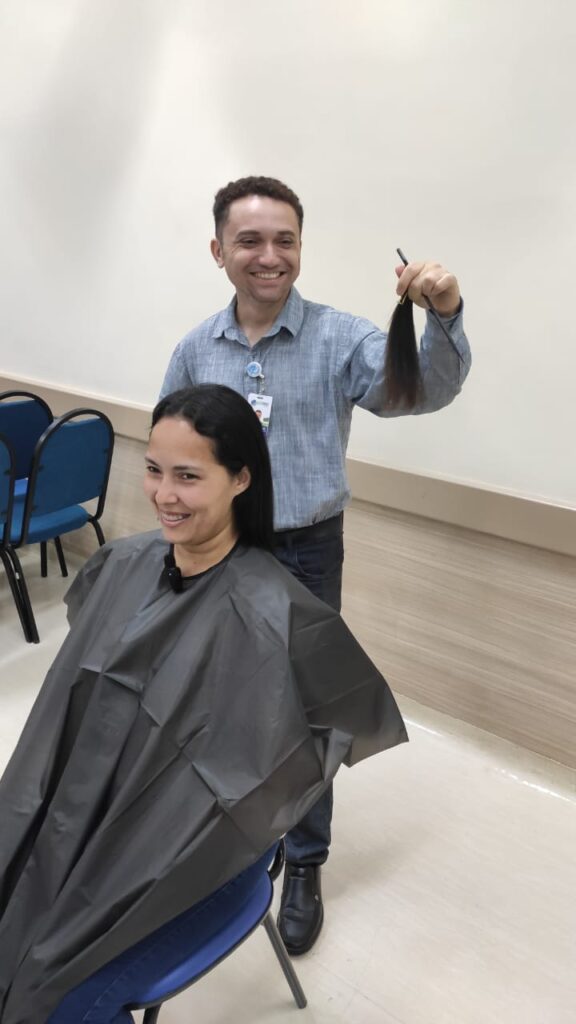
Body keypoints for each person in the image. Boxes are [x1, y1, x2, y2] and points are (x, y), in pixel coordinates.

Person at [0, 385, 407, 1024]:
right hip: (77, 813)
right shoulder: (120, 565)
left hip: (181, 851)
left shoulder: (280, 617)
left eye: (188, 476)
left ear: (241, 478)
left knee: (53, 998)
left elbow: (288, 758)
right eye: (154, 470)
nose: (164, 494)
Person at [160, 175, 472, 954]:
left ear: (300, 248)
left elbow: (421, 390)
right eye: (250, 240)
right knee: (224, 698)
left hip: (306, 549)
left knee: (305, 711)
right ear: (219, 251)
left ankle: (304, 859)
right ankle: (235, 840)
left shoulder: (340, 338)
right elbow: (172, 457)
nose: (269, 255)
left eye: (285, 240)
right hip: (219, 550)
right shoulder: (196, 349)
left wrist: (444, 314)